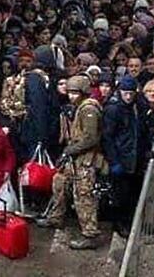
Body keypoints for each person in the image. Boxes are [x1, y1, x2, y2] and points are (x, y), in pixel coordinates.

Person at [36, 74, 105, 250]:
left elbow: (90, 139)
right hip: (74, 157)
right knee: (59, 182)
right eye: (70, 92)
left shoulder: (89, 109)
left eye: (75, 93)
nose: (71, 96)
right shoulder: (78, 107)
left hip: (85, 159)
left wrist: (69, 150)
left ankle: (90, 234)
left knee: (83, 195)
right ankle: (56, 217)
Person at [102, 77, 146, 238]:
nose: (128, 97)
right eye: (125, 93)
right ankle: (119, 224)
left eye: (131, 93)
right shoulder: (113, 109)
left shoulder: (138, 107)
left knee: (132, 194)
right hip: (121, 157)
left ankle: (130, 222)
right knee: (120, 195)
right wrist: (114, 161)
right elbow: (107, 137)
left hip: (134, 157)